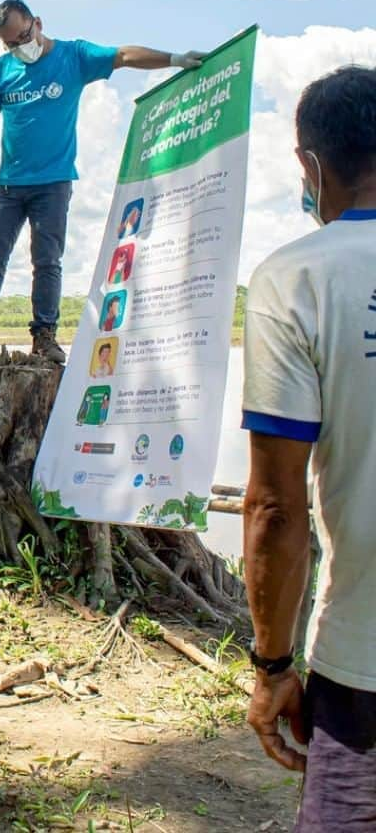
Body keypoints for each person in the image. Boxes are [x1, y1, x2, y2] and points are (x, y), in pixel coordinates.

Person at [241, 65, 376, 828]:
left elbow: (274, 508)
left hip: (364, 665)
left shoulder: (297, 279)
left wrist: (272, 666)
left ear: (311, 167)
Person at [0, 0, 204, 369]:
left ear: (38, 23)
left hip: (53, 183)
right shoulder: (2, 69)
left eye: (22, 37)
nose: (18, 47)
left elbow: (123, 55)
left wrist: (175, 59)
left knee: (47, 262)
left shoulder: (73, 57)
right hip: (8, 185)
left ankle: (44, 337)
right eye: (9, 43)